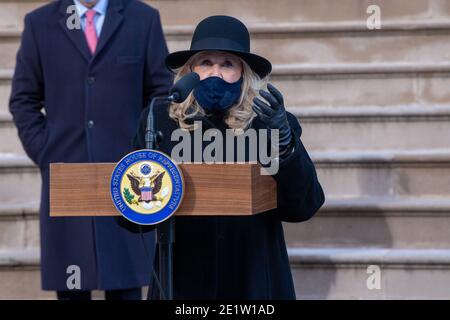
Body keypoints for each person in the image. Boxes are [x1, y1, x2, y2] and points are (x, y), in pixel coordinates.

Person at [134, 15, 325, 299]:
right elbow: (132, 215)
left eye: (227, 64)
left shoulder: (268, 122)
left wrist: (285, 142)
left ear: (243, 73)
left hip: (252, 278)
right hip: (183, 280)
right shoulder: (160, 121)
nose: (215, 73)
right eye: (206, 63)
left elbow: (303, 206)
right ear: (190, 70)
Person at [9, 0, 173, 300]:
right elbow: (23, 99)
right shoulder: (39, 23)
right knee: (72, 288)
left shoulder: (143, 19)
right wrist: (46, 151)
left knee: (126, 289)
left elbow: (162, 95)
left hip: (127, 177)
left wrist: (143, 151)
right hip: (66, 174)